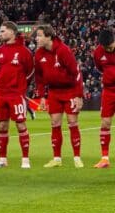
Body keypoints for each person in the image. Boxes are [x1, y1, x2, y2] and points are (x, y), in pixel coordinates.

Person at [34, 24, 84, 168]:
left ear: (48, 36)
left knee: (72, 123)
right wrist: (42, 96)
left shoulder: (63, 50)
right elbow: (39, 77)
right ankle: (57, 159)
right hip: (54, 93)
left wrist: (78, 95)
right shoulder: (38, 54)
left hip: (70, 91)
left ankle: (77, 158)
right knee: (55, 123)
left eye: (39, 35)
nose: (36, 38)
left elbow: (77, 73)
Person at [0, 22, 34, 169]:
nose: (0, 34)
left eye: (3, 31)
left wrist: (20, 85)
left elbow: (30, 71)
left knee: (20, 124)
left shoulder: (24, 52)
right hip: (2, 94)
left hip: (16, 94)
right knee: (2, 126)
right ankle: (2, 159)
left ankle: (25, 160)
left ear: (12, 32)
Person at [94, 29, 115, 168]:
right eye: (105, 47)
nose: (108, 49)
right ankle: (105, 158)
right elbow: (100, 68)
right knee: (105, 122)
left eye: (110, 46)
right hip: (108, 91)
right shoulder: (98, 52)